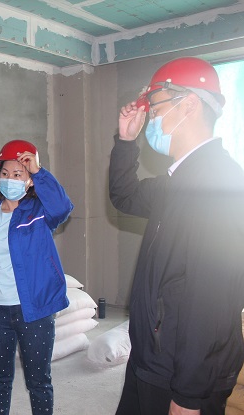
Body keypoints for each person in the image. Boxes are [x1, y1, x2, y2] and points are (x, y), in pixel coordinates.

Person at [109, 57, 244, 415]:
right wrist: (126, 142)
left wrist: (189, 394)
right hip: (153, 358)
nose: (152, 118)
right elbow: (124, 195)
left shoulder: (221, 184)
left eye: (156, 108)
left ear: (189, 104)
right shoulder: (177, 181)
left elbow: (213, 302)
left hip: (180, 375)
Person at [0, 139, 73, 415]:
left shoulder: (40, 213)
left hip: (34, 310)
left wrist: (39, 172)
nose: (10, 179)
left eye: (18, 174)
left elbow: (62, 207)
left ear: (29, 181)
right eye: (5, 173)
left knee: (39, 381)